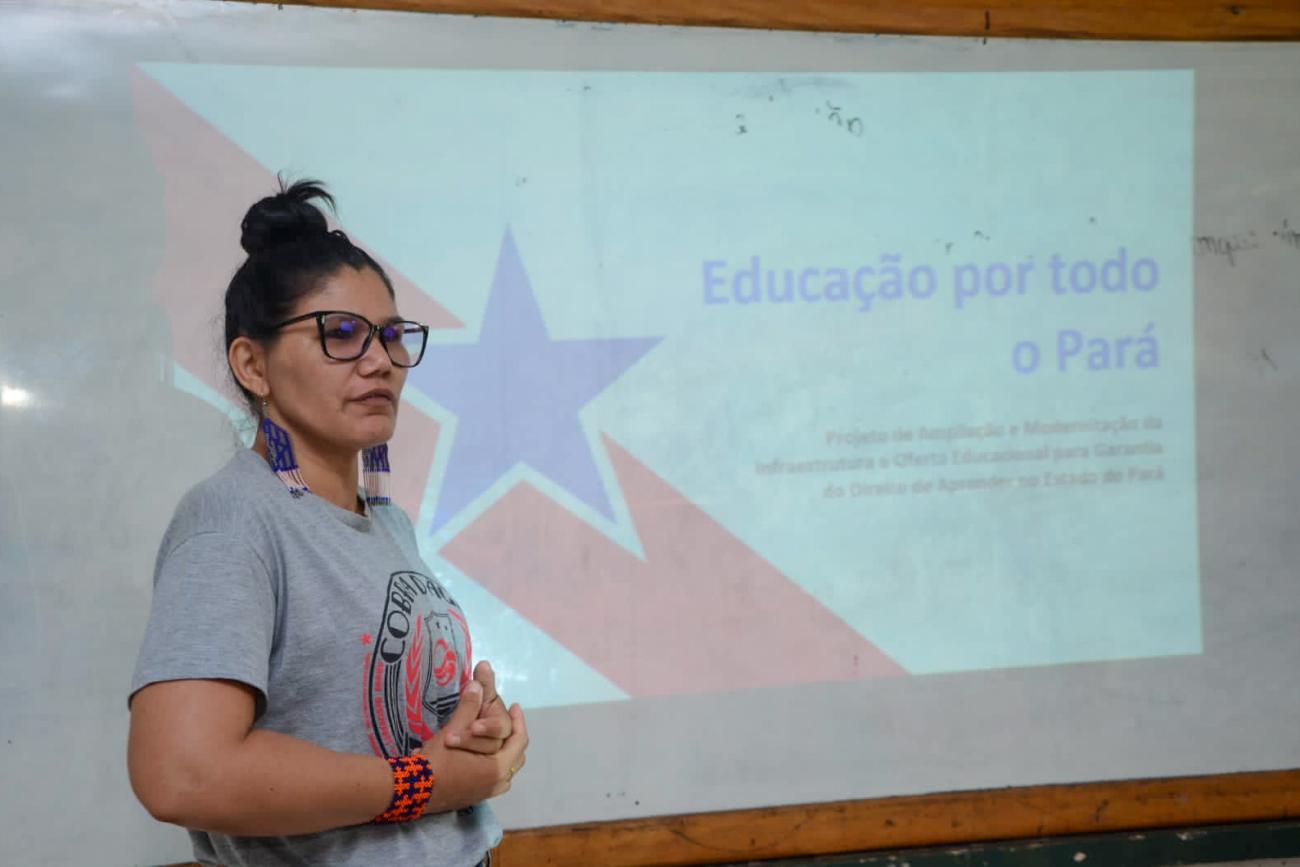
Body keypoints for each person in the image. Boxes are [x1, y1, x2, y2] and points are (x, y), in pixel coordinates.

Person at [127, 179, 527, 867]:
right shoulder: (233, 519)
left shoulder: (385, 522)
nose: (380, 361)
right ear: (253, 364)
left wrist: (468, 727)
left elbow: (374, 718)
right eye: (340, 334)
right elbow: (181, 772)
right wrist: (423, 781)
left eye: (393, 335)